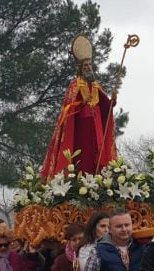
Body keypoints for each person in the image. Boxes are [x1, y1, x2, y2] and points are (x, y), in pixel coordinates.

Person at [40, 36, 116, 178]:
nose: (88, 68)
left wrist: (112, 101)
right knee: (83, 157)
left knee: (98, 156)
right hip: (81, 127)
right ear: (80, 68)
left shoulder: (96, 85)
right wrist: (81, 102)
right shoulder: (74, 85)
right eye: (85, 65)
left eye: (90, 65)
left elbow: (105, 106)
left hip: (97, 126)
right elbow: (67, 109)